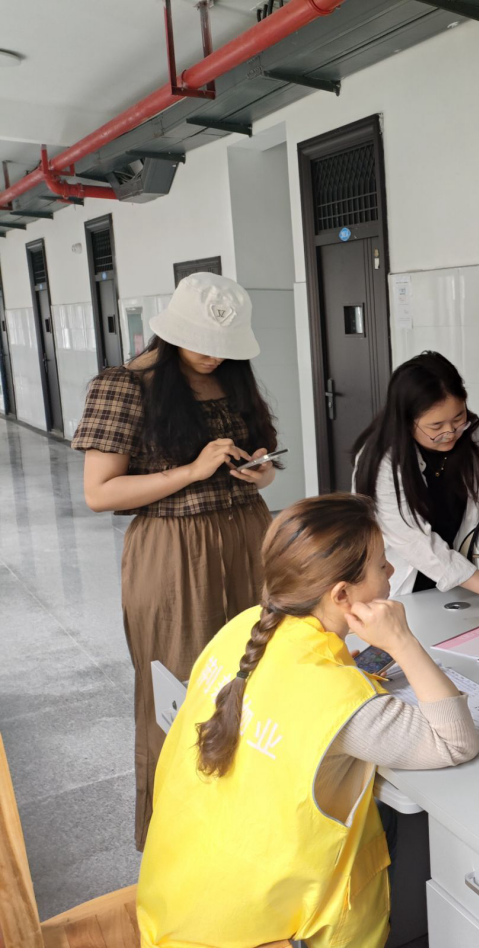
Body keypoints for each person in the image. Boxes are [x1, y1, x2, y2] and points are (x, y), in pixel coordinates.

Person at [136, 494, 479, 948]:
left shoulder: (239, 628)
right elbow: (456, 742)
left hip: (177, 904)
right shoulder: (339, 697)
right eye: (381, 565)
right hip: (273, 930)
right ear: (342, 595)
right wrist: (402, 642)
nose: (391, 572)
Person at [72, 272, 279, 850]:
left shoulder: (232, 378)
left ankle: (251, 825)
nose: (213, 356)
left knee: (258, 675)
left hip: (249, 535)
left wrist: (260, 472)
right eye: (201, 343)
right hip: (172, 551)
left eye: (224, 346)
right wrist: (191, 471)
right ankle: (184, 840)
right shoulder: (123, 385)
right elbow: (99, 492)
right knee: (185, 687)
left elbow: (260, 461)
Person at [352, 351, 479, 611]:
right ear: (406, 420)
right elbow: (415, 542)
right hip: (399, 584)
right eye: (436, 426)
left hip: (457, 579)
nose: (450, 432)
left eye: (458, 418)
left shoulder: (473, 435)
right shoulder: (383, 460)